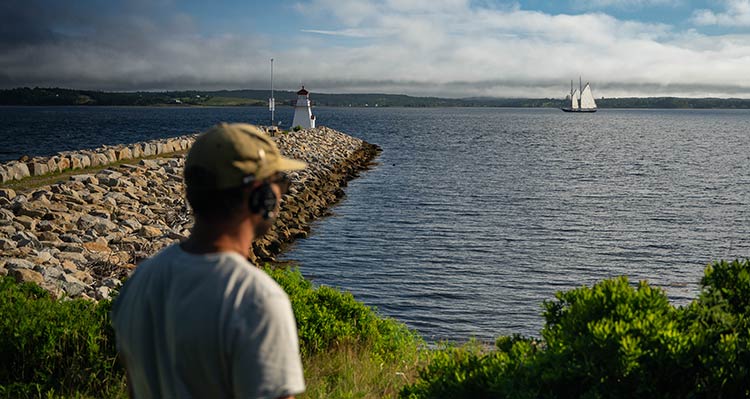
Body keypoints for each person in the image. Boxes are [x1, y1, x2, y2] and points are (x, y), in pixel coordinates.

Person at [112, 123, 307, 398]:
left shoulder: (140, 282)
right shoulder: (256, 300)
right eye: (279, 183)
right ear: (258, 195)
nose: (282, 194)